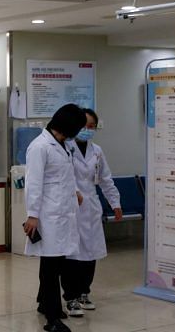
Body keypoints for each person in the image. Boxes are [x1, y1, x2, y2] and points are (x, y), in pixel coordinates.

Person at [24, 103, 86, 332]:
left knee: (56, 263)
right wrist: (32, 215)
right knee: (50, 267)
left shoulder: (63, 144)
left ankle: (45, 304)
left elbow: (64, 176)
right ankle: (52, 319)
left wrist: (75, 192)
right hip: (47, 216)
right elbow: (34, 184)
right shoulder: (40, 147)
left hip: (62, 212)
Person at [60, 108, 122, 315]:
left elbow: (105, 179)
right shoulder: (65, 148)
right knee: (73, 254)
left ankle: (84, 292)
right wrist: (74, 191)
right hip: (72, 204)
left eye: (92, 126)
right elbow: (62, 177)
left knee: (91, 252)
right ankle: (70, 297)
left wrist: (115, 203)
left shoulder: (97, 150)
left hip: (91, 205)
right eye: (84, 125)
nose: (88, 129)